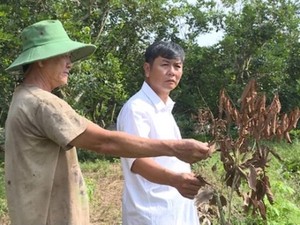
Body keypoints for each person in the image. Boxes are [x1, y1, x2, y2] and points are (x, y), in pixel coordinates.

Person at [4, 20, 211, 225]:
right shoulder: (42, 103)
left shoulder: (24, 98)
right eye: (64, 56)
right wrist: (176, 148)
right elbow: (105, 142)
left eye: (177, 66)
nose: (70, 63)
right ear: (41, 59)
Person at [117, 41, 205, 225]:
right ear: (147, 69)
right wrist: (176, 180)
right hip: (152, 212)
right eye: (165, 64)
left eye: (177, 66)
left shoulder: (164, 107)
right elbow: (137, 161)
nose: (172, 71)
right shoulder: (137, 109)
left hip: (177, 207)